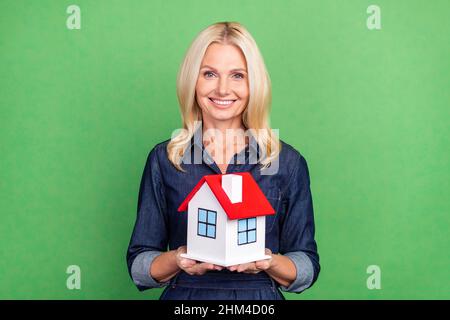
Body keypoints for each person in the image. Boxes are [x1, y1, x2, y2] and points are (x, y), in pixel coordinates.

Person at [126, 21, 320, 300]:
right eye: (209, 74)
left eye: (238, 75)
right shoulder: (165, 159)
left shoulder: (286, 162)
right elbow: (139, 266)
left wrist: (267, 260)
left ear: (254, 84)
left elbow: (306, 267)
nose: (223, 89)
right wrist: (179, 257)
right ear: (193, 81)